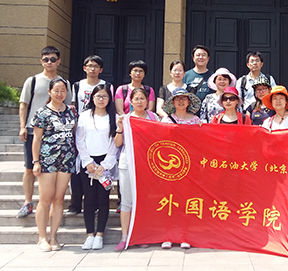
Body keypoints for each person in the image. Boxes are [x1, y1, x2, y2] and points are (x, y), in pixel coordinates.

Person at [17, 46, 71, 219]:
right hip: (34, 130)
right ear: (41, 61)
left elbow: (69, 107)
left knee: (54, 170)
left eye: (53, 59)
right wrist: (22, 126)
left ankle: (51, 200)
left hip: (56, 133)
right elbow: (24, 104)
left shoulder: (64, 83)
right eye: (46, 59)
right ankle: (27, 202)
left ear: (59, 61)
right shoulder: (33, 81)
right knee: (30, 167)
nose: (49, 62)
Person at [31, 77, 76, 251]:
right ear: (49, 92)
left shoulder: (71, 111)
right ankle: (42, 237)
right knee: (45, 198)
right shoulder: (42, 112)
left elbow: (74, 133)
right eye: (56, 90)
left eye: (63, 91)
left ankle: (53, 236)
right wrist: (36, 161)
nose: (60, 94)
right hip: (47, 160)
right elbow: (36, 139)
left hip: (67, 159)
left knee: (59, 198)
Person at [114, 87, 159, 252]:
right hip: (128, 162)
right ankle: (125, 237)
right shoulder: (125, 119)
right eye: (136, 99)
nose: (139, 102)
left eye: (142, 98)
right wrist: (119, 128)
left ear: (147, 101)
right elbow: (118, 143)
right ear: (131, 102)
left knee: (143, 201)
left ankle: (141, 235)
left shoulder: (154, 117)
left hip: (147, 163)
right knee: (126, 201)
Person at [67, 55, 113, 215]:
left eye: (96, 66)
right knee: (78, 168)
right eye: (89, 65)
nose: (92, 69)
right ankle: (75, 203)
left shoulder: (106, 85)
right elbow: (73, 105)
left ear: (101, 69)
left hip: (100, 126)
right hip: (82, 126)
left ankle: (96, 204)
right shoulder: (78, 85)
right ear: (84, 68)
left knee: (99, 169)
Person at [75, 85, 117, 250]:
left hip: (105, 162)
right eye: (98, 96)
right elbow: (80, 139)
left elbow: (115, 143)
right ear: (92, 98)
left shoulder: (114, 117)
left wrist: (105, 165)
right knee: (89, 198)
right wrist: (87, 161)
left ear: (109, 99)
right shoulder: (85, 116)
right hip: (88, 162)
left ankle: (100, 234)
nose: (101, 99)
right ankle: (89, 234)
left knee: (103, 198)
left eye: (104, 96)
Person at [159, 87, 201, 250]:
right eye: (178, 99)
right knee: (169, 200)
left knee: (186, 201)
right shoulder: (166, 120)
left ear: (189, 101)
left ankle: (185, 235)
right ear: (173, 102)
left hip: (190, 166)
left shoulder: (196, 120)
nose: (181, 101)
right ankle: (168, 235)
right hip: (170, 167)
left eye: (184, 98)